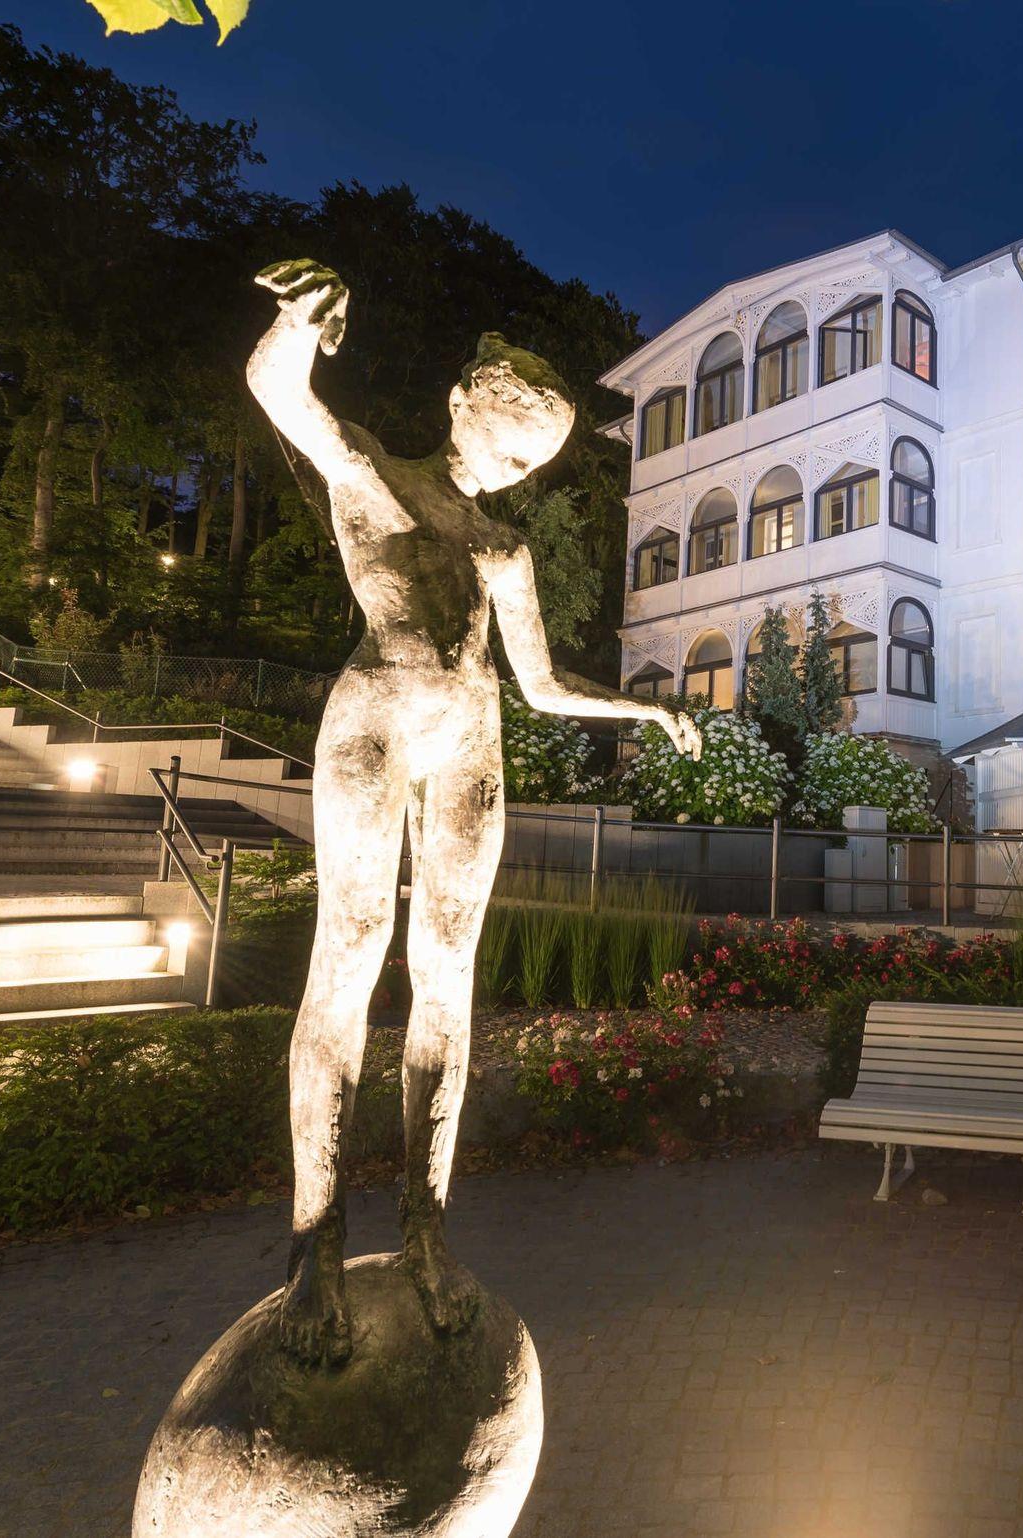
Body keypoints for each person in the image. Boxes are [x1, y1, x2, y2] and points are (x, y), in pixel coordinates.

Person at [247, 259, 703, 1366]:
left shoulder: (505, 548)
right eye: (509, 444)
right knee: (350, 953)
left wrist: (643, 711)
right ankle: (314, 1245)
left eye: (531, 459)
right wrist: (298, 323)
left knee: (447, 977)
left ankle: (426, 1232)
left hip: (473, 740)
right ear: (461, 403)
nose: (514, 468)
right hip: (375, 718)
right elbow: (280, 393)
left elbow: (540, 683)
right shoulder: (375, 477)